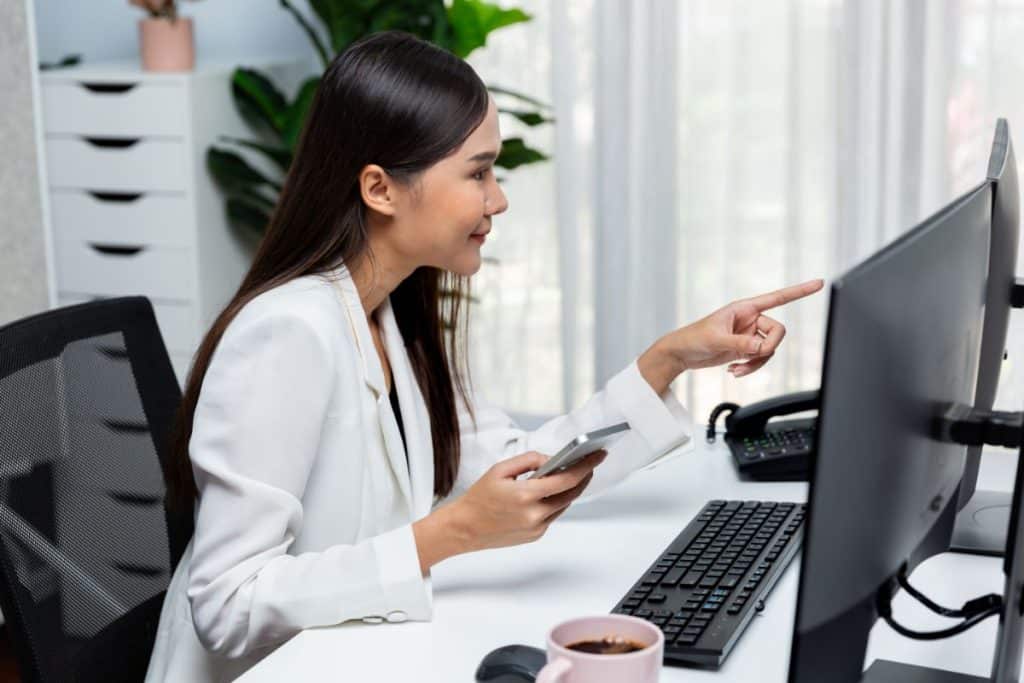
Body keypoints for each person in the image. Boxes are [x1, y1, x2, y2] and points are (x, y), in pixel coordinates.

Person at [144, 30, 823, 682]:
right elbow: (227, 604)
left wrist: (670, 357)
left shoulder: (387, 315)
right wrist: (452, 532)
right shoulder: (286, 334)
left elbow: (519, 458)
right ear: (379, 188)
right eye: (478, 172)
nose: (497, 198)